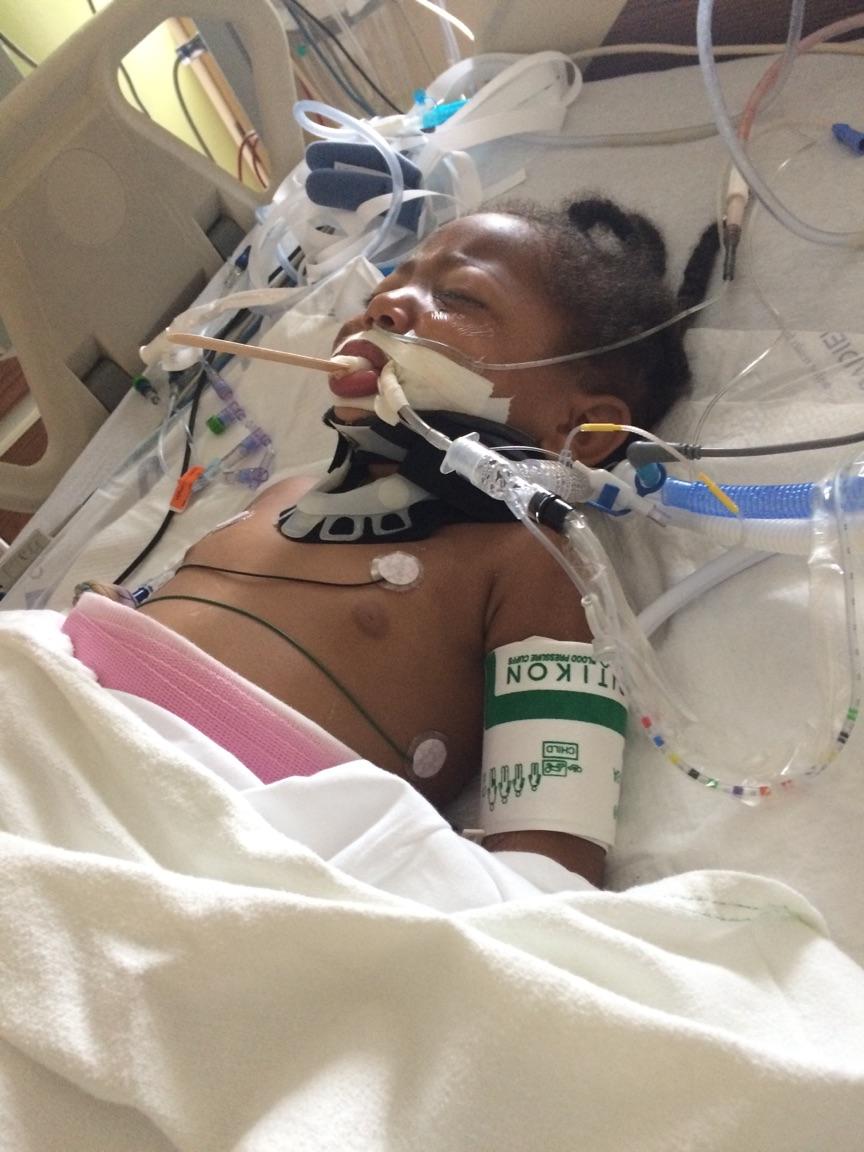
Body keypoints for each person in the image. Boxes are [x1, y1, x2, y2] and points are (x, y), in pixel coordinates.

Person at [132, 196, 717, 886]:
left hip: (218, 829)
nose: (382, 304)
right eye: (384, 286)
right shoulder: (282, 494)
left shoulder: (526, 556)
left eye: (460, 297)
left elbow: (550, 860)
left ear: (579, 429)